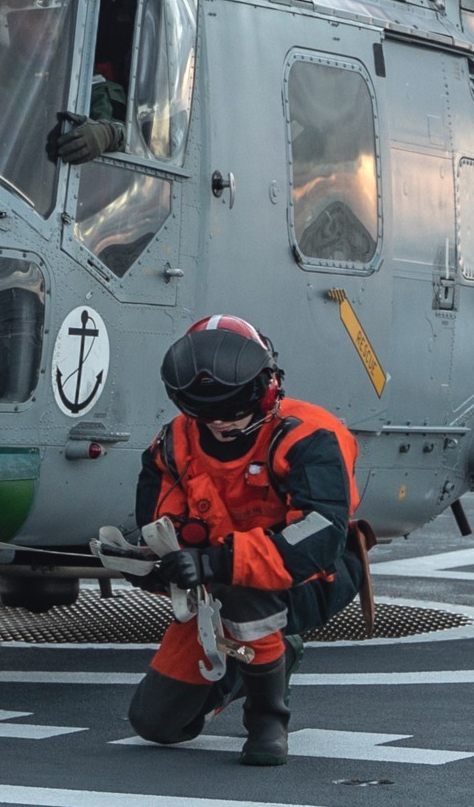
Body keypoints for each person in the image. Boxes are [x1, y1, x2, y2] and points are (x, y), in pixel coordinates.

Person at [126, 315, 366, 766]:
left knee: (246, 595)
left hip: (314, 574)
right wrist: (151, 566)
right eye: (206, 415)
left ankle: (267, 718)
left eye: (233, 412)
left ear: (268, 389)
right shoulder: (174, 444)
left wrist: (217, 563)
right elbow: (159, 526)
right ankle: (250, 665)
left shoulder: (310, 435)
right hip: (215, 584)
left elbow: (321, 532)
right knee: (156, 724)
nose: (221, 425)